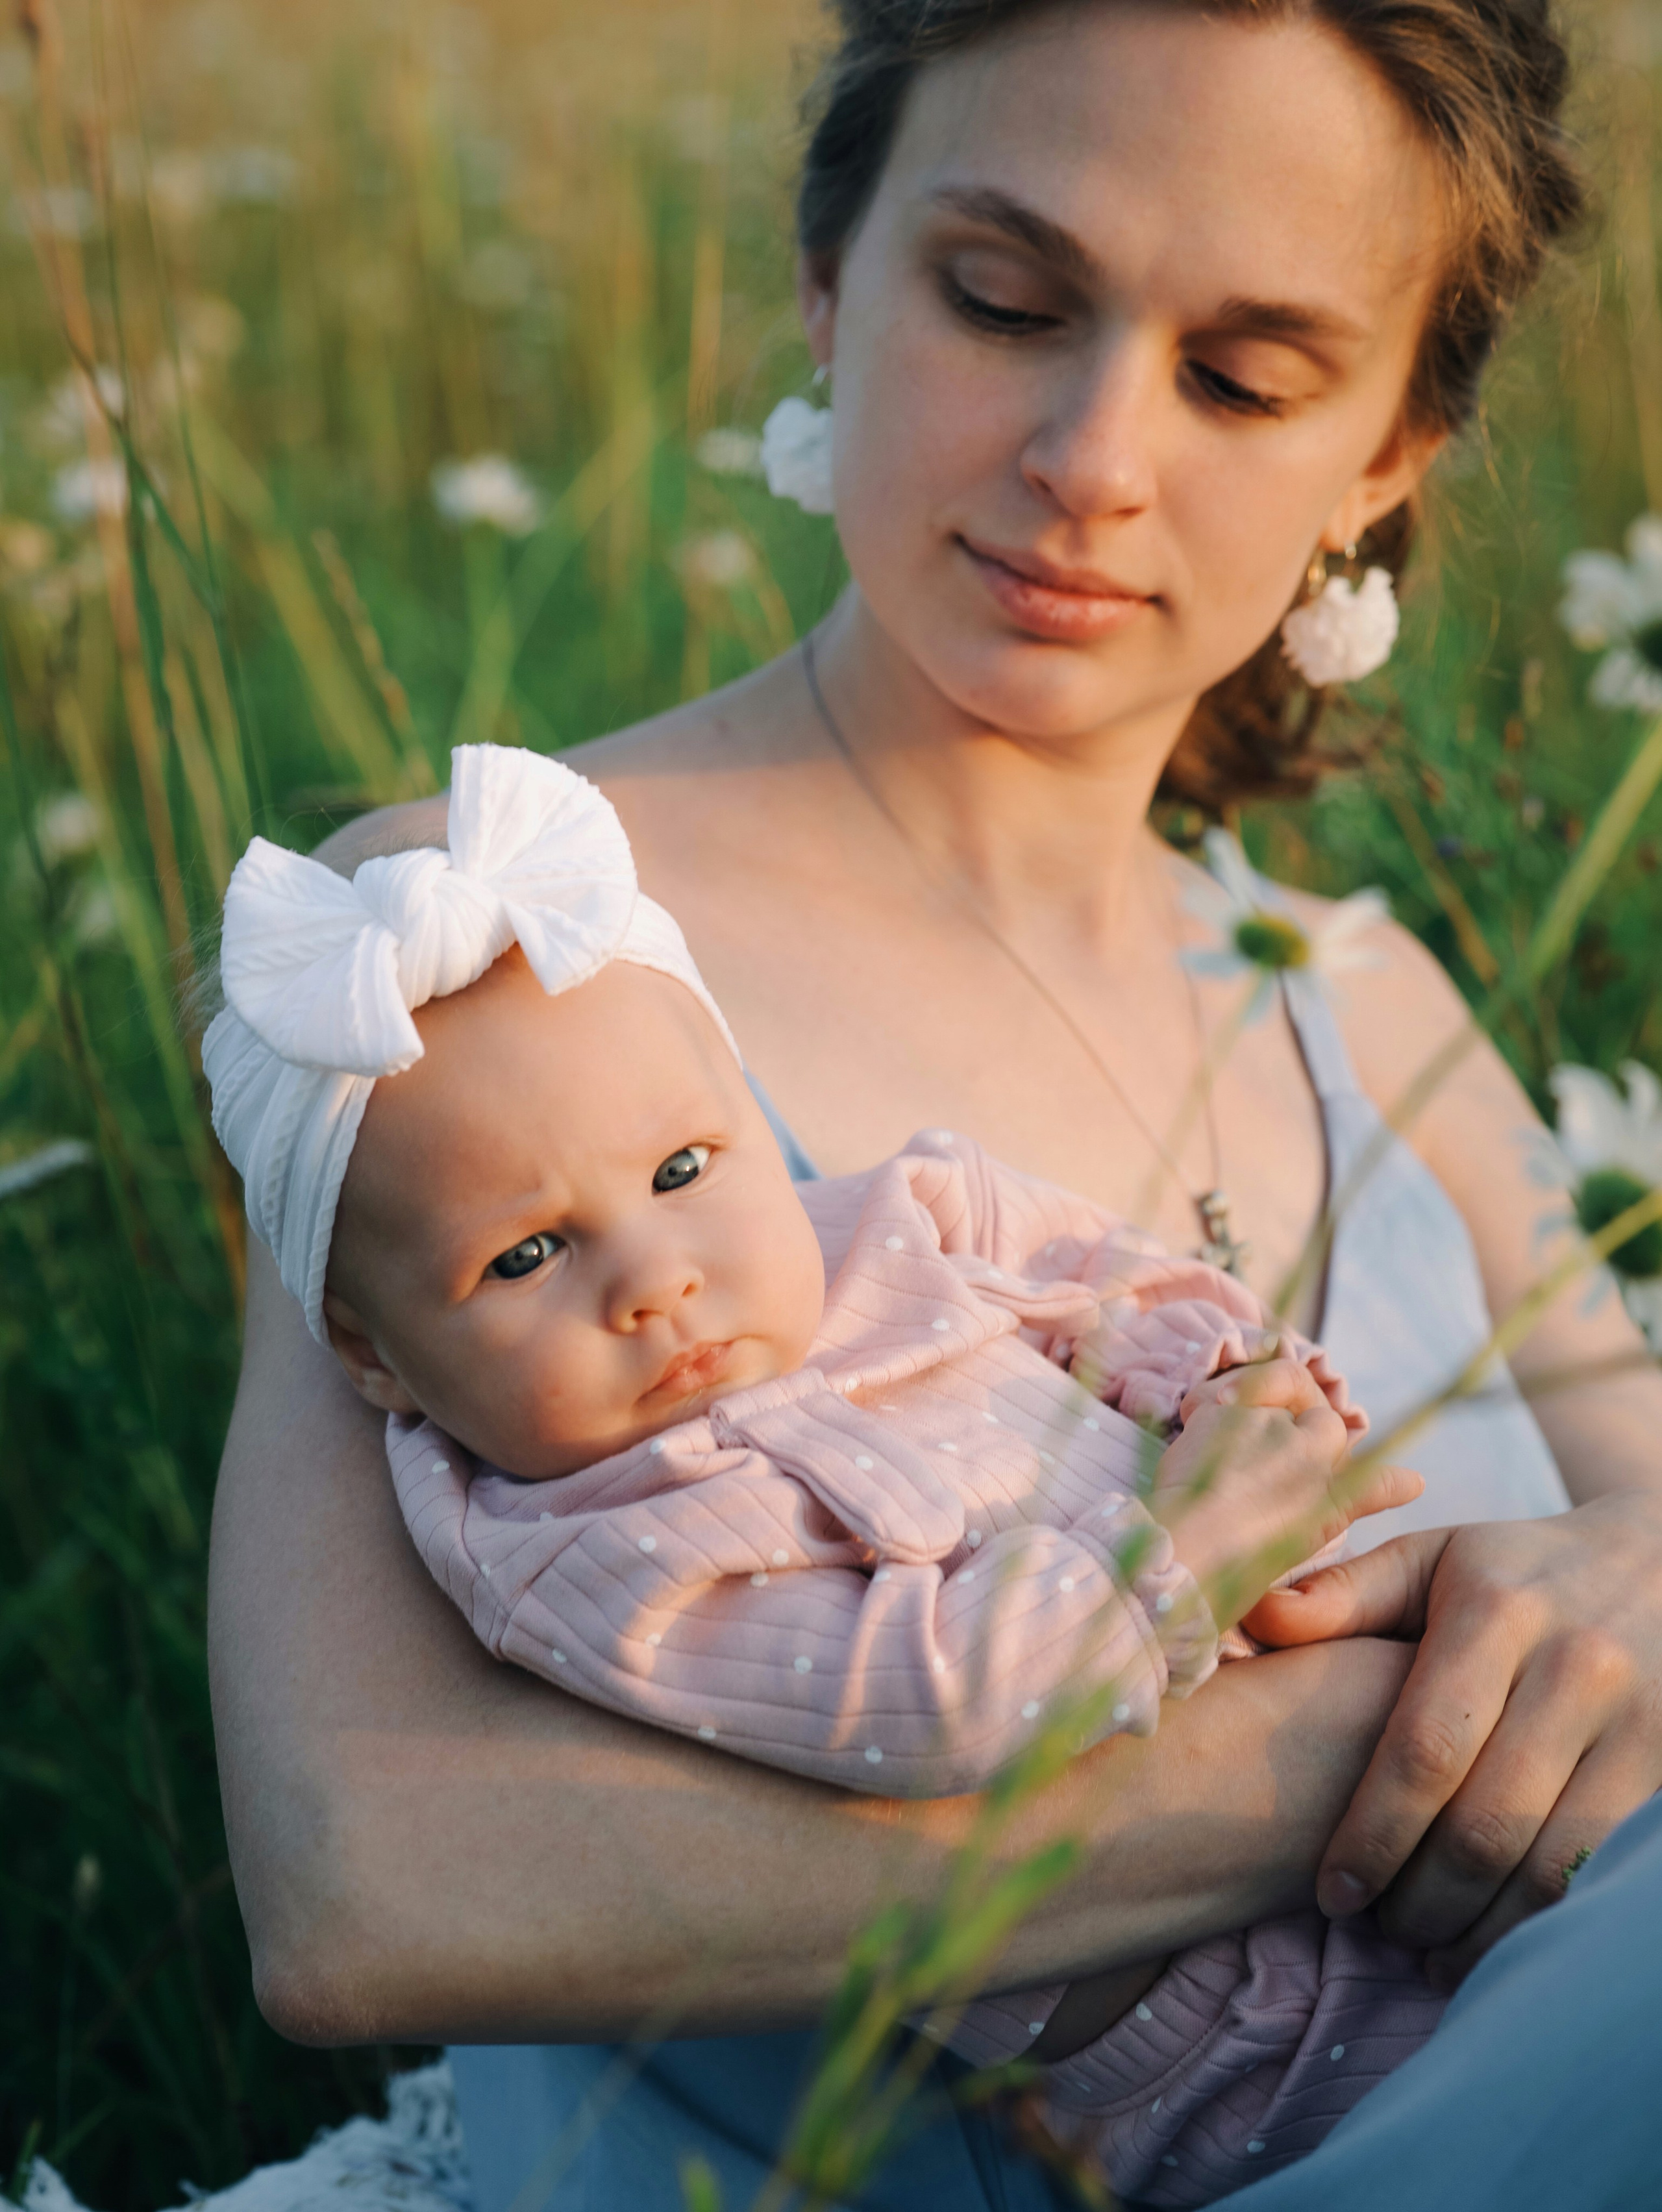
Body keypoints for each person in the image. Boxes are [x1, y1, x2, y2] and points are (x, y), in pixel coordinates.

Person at [207, 1, 1662, 2206]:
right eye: (1004, 297)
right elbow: (366, 1882)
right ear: (828, 276)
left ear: (1392, 455)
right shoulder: (491, 939)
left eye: (1247, 376)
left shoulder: (1373, 1001)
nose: (1093, 452)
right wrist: (1408, 1742)